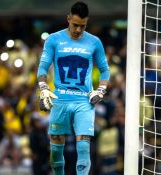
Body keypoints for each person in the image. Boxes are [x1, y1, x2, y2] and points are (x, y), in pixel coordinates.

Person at [36, 1, 110, 175]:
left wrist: (101, 90)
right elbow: (43, 67)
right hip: (60, 98)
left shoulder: (94, 42)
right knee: (55, 145)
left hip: (84, 99)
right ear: (68, 19)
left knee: (84, 142)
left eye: (82, 26)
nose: (78, 30)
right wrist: (43, 87)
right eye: (75, 25)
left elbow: (105, 70)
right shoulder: (53, 39)